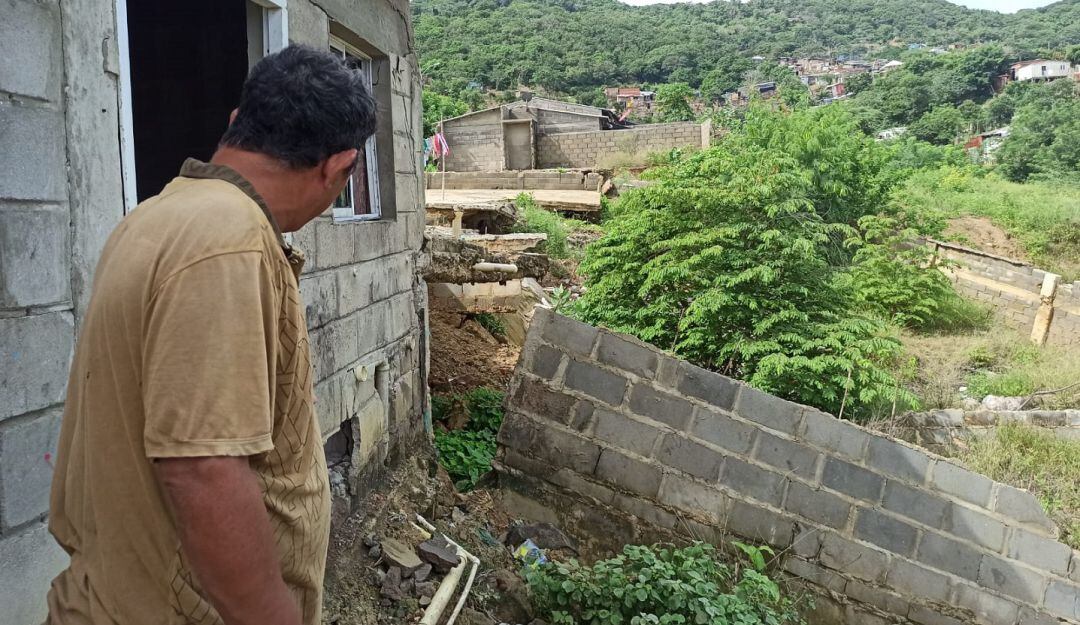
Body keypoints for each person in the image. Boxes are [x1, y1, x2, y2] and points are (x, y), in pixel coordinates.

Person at [46, 45, 376, 625]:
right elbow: (203, 470)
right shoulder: (229, 242)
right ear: (339, 167)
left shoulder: (156, 215)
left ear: (234, 124)